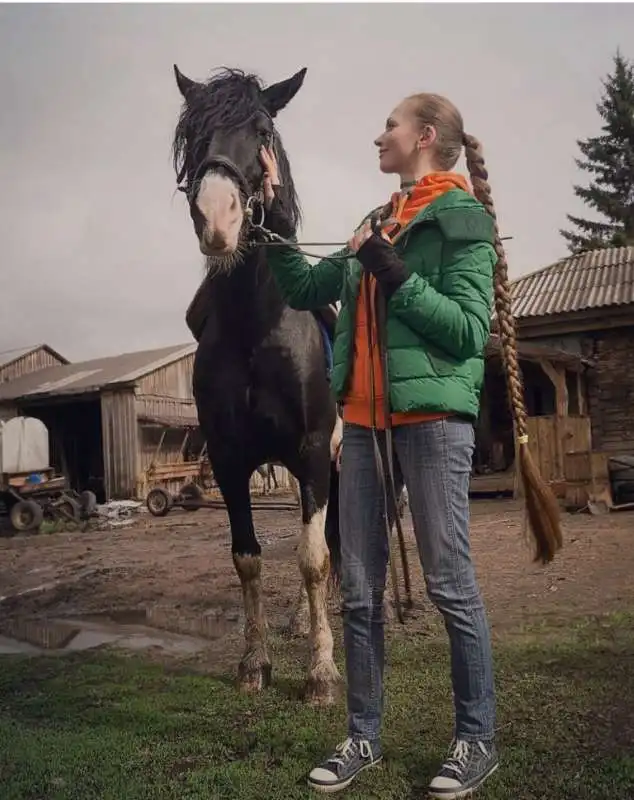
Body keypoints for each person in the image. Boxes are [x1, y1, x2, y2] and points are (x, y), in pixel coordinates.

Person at [259, 92, 506, 799]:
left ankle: (476, 739)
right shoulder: (377, 221)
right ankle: (362, 736)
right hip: (363, 430)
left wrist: (392, 269)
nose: (378, 136)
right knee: (359, 593)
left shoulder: (463, 221)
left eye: (389, 127)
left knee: (450, 586)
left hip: (432, 425)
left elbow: (464, 331)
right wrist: (276, 215)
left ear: (424, 136)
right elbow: (308, 283)